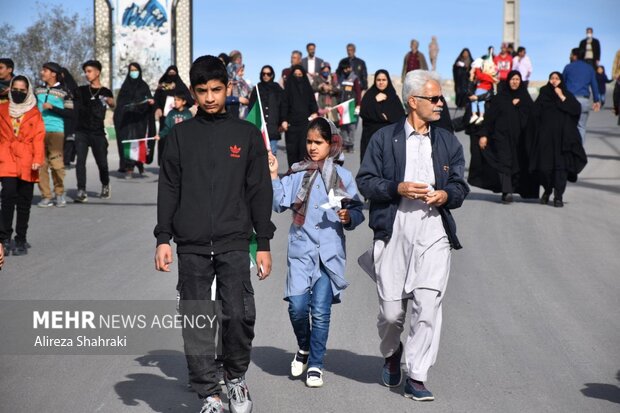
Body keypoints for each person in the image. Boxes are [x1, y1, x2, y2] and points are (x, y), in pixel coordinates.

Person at [154, 55, 275, 413]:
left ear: (228, 88)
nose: (210, 98)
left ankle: (235, 379)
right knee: (197, 318)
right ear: (193, 92)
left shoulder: (246, 135)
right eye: (203, 91)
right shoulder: (178, 136)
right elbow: (168, 188)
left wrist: (263, 243)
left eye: (216, 90)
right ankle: (209, 393)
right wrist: (163, 238)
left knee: (237, 314)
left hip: (235, 241)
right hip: (190, 243)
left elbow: (258, 190)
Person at [356, 69, 469, 402]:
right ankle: (392, 353)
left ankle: (417, 375)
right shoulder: (384, 139)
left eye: (440, 98)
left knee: (427, 305)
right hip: (394, 231)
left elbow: (460, 185)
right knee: (392, 314)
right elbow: (365, 181)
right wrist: (396, 187)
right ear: (412, 101)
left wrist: (446, 195)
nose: (440, 104)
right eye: (433, 99)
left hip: (434, 233)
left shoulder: (447, 141)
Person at [269, 117, 364, 388]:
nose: (312, 147)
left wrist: (348, 217)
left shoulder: (342, 177)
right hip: (301, 252)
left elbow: (357, 211)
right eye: (309, 142)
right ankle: (304, 347)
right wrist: (274, 175)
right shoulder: (297, 173)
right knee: (298, 308)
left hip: (329, 256)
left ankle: (316, 364)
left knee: (320, 311)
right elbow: (278, 204)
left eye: (318, 142)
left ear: (331, 144)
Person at [0, 75, 44, 255]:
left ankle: (21, 238)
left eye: (22, 89)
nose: (18, 92)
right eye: (15, 89)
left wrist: (37, 159)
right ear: (10, 89)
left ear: (28, 91)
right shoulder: (2, 109)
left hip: (27, 160)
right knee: (8, 196)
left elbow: (39, 138)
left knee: (24, 202)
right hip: (6, 157)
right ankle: (4, 238)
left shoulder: (34, 112)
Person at [478, 70, 536, 203]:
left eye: (517, 79)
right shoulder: (500, 98)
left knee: (518, 164)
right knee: (504, 163)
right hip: (501, 137)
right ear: (508, 81)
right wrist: (484, 135)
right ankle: (506, 191)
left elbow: (533, 117)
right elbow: (490, 118)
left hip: (520, 139)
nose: (514, 82)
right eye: (512, 79)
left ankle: (515, 188)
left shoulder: (525, 98)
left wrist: (519, 105)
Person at [530, 72, 587, 207]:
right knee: (544, 169)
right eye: (552, 78)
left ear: (561, 81)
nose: (554, 81)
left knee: (561, 169)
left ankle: (558, 196)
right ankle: (548, 190)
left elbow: (576, 110)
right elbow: (534, 114)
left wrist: (561, 96)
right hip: (546, 141)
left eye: (557, 78)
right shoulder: (543, 95)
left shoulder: (567, 95)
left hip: (563, 140)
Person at [73, 60, 114, 203]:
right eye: (85, 71)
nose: (87, 74)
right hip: (81, 131)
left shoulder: (105, 91)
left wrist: (110, 101)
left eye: (89, 71)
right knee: (80, 162)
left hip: (97, 132)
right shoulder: (82, 90)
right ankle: (81, 190)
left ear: (97, 72)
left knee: (102, 162)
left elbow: (114, 104)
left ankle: (105, 184)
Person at [35, 62, 74, 208]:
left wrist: (53, 108)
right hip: (38, 132)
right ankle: (46, 196)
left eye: (44, 70)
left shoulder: (65, 92)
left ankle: (59, 193)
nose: (41, 72)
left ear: (53, 73)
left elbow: (70, 113)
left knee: (57, 165)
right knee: (41, 165)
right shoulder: (37, 90)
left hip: (56, 131)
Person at [113, 62, 156, 178]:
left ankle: (140, 164)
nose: (133, 72)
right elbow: (120, 103)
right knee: (129, 142)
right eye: (131, 70)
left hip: (140, 120)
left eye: (135, 70)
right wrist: (127, 106)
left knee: (139, 142)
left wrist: (150, 102)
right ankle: (129, 168)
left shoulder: (144, 86)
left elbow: (149, 98)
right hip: (128, 119)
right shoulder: (125, 86)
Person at [359, 69, 405, 162]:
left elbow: (400, 117)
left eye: (384, 80)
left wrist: (385, 116)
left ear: (388, 81)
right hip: (370, 138)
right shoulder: (369, 95)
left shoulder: (393, 96)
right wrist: (374, 101)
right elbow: (363, 112)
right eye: (378, 80)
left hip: (389, 139)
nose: (381, 82)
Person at [153, 65, 193, 162]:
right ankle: (163, 163)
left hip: (180, 118)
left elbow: (189, 100)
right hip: (165, 118)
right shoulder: (161, 86)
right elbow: (156, 99)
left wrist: (182, 107)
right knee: (164, 141)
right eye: (169, 73)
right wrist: (158, 108)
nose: (171, 76)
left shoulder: (181, 85)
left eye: (173, 74)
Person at [282, 65, 318, 167]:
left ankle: (303, 176)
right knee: (292, 151)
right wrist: (284, 120)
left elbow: (312, 103)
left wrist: (314, 112)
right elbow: (284, 105)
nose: (298, 77)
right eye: (296, 75)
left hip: (305, 124)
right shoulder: (288, 89)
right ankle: (292, 176)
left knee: (304, 150)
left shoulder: (307, 88)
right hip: (291, 125)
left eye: (300, 75)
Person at [562, 48, 600, 143]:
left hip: (570, 101)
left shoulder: (568, 67)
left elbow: (562, 84)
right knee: (581, 127)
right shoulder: (589, 68)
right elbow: (594, 85)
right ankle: (580, 153)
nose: (569, 56)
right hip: (584, 101)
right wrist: (596, 100)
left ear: (575, 56)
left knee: (568, 127)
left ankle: (569, 153)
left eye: (571, 54)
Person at [248, 65, 286, 154]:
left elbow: (282, 106)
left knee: (271, 155)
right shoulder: (257, 88)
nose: (266, 76)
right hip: (259, 129)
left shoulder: (277, 88)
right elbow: (251, 107)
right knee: (258, 156)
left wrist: (283, 120)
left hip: (273, 128)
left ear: (272, 75)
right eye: (263, 74)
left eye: (268, 74)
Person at [336, 60, 362, 153]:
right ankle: (345, 143)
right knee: (342, 126)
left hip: (351, 105)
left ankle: (351, 145)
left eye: (348, 68)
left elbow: (358, 93)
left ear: (350, 68)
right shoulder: (342, 78)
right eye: (344, 68)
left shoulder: (355, 78)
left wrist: (358, 105)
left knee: (351, 127)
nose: (346, 70)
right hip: (343, 105)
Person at [60, 68, 80, 170]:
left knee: (69, 139)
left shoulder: (73, 87)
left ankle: (67, 160)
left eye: (62, 74)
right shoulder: (58, 87)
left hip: (72, 116)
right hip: (60, 115)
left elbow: (78, 101)